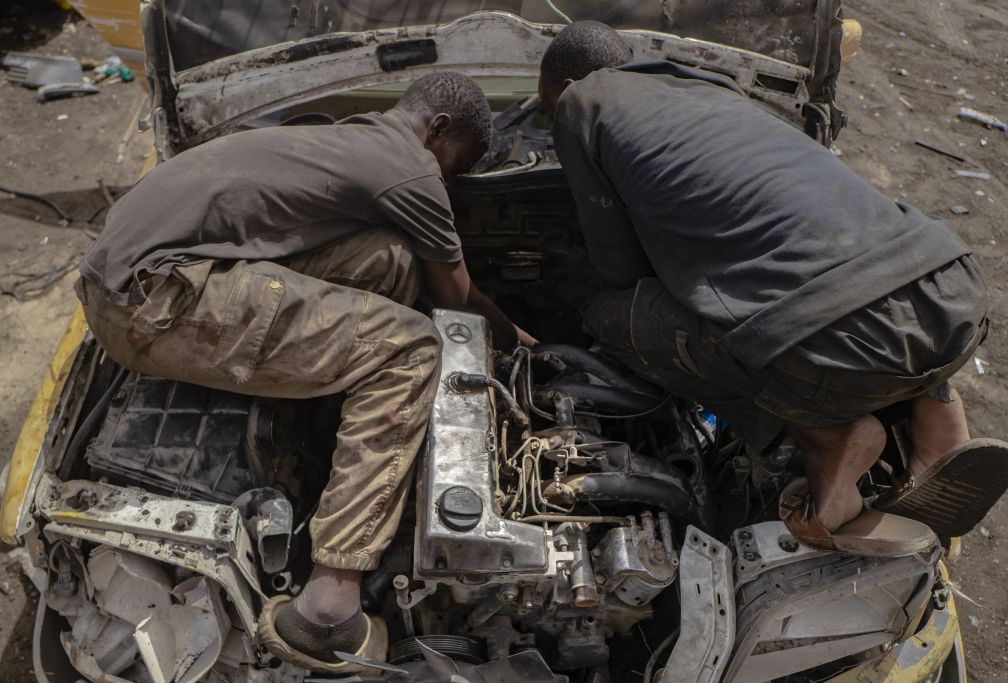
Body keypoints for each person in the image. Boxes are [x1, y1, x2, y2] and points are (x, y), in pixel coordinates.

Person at [76, 72, 534, 673]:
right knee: (412, 349)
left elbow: (406, 266)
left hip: (127, 277)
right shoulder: (413, 170)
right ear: (439, 129)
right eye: (460, 163)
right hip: (154, 304)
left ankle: (338, 444)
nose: (455, 179)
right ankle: (325, 609)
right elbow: (456, 297)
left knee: (393, 261)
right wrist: (522, 343)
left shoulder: (348, 138)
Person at [538, 21, 1006, 557]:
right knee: (851, 271)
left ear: (563, 85)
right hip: (949, 290)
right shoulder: (709, 86)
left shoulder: (582, 103)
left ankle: (832, 439)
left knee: (612, 315)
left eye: (545, 111)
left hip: (832, 349)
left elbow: (619, 269)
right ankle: (936, 412)